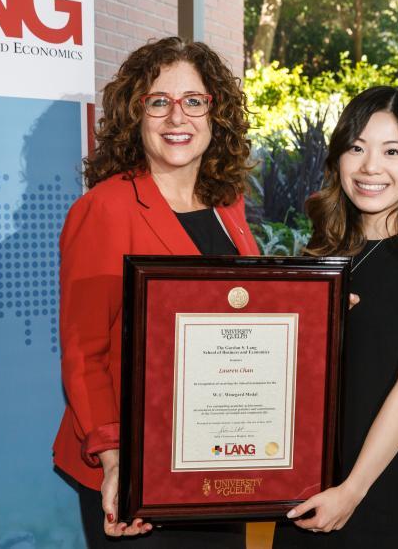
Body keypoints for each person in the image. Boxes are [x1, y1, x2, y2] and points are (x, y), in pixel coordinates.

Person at [53, 37, 258, 548]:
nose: (176, 118)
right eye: (158, 102)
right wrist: (115, 457)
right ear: (135, 115)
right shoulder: (106, 208)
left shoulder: (226, 205)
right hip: (137, 465)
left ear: (216, 115)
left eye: (194, 101)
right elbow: (84, 350)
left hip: (214, 456)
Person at [272, 86, 398, 548]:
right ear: (338, 158)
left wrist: (350, 491)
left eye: (392, 151)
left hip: (373, 491)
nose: (369, 167)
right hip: (302, 488)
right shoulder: (322, 250)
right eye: (356, 148)